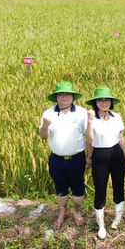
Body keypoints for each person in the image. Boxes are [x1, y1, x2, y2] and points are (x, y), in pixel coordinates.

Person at [38, 82, 92, 230]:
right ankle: (63, 212)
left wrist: (90, 155)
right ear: (56, 97)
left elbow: (88, 136)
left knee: (78, 187)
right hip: (56, 159)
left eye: (67, 94)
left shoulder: (82, 113)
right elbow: (43, 136)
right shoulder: (48, 113)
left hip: (77, 158)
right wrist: (44, 125)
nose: (64, 96)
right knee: (60, 187)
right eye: (61, 94)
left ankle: (77, 213)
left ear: (72, 96)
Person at [86, 87, 125, 239]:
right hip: (100, 154)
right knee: (100, 188)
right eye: (100, 100)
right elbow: (90, 140)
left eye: (106, 100)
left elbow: (121, 138)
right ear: (95, 102)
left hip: (116, 153)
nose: (103, 103)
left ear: (111, 102)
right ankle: (101, 226)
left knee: (119, 186)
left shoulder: (116, 117)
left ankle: (116, 220)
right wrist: (89, 156)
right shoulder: (91, 119)